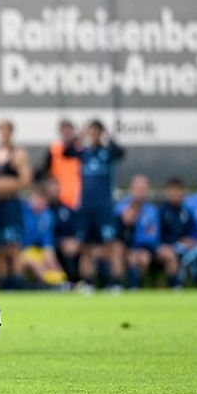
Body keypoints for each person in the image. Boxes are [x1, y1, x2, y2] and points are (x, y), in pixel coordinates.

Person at [64, 119, 125, 290]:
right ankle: (88, 283)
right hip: (86, 207)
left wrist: (109, 136)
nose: (93, 135)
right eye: (91, 131)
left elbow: (121, 152)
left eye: (96, 131)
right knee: (86, 246)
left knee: (111, 244)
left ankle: (116, 283)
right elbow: (67, 152)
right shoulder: (84, 152)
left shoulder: (108, 152)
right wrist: (79, 136)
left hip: (104, 207)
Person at [0, 119, 32, 289]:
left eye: (7, 131)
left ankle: (18, 283)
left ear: (11, 132)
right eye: (1, 131)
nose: (3, 134)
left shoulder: (18, 154)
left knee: (14, 247)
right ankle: (3, 286)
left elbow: (26, 181)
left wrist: (3, 184)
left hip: (11, 203)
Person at [113, 175, 163, 289]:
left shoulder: (152, 211)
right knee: (117, 250)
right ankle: (116, 285)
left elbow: (153, 236)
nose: (140, 192)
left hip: (143, 248)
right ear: (132, 189)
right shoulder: (120, 208)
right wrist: (123, 222)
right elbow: (114, 233)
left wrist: (139, 248)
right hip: (123, 247)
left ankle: (135, 287)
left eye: (143, 189)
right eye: (137, 188)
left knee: (143, 258)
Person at [19, 186, 68, 288]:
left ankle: (64, 282)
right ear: (31, 198)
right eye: (38, 198)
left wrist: (50, 256)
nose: (40, 202)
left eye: (43, 200)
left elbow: (47, 243)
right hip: (21, 250)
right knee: (35, 262)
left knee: (50, 257)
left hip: (36, 249)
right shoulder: (22, 211)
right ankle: (53, 285)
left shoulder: (47, 216)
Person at [44, 179, 87, 289]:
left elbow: (75, 229)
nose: (54, 193)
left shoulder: (66, 210)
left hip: (64, 243)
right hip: (48, 244)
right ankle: (65, 282)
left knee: (75, 247)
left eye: (56, 190)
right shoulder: (42, 210)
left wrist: (75, 241)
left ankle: (76, 282)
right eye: (51, 191)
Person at [35, 119, 81, 210]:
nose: (67, 133)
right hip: (57, 198)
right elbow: (42, 171)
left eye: (69, 130)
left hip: (76, 197)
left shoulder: (80, 151)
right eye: (64, 130)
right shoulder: (54, 149)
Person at [157, 177, 194, 289]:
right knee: (170, 255)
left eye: (179, 190)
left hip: (180, 247)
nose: (176, 193)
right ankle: (175, 285)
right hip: (161, 247)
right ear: (167, 192)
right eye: (173, 190)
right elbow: (154, 234)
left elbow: (191, 233)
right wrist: (162, 245)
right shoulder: (161, 211)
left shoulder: (186, 212)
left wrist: (189, 240)